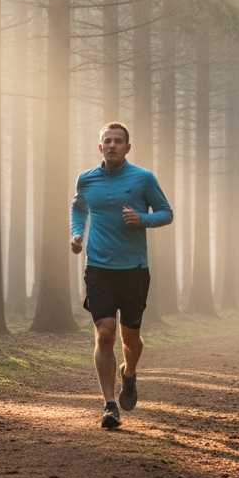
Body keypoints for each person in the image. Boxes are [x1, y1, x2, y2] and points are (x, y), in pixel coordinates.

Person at [70, 122, 174, 429]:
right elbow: (79, 208)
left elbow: (166, 213)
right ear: (100, 147)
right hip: (98, 267)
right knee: (105, 334)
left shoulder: (143, 178)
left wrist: (142, 219)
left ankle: (128, 373)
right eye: (107, 141)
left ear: (127, 147)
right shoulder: (86, 179)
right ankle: (109, 405)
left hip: (134, 270)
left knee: (131, 337)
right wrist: (77, 234)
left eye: (118, 141)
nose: (112, 145)